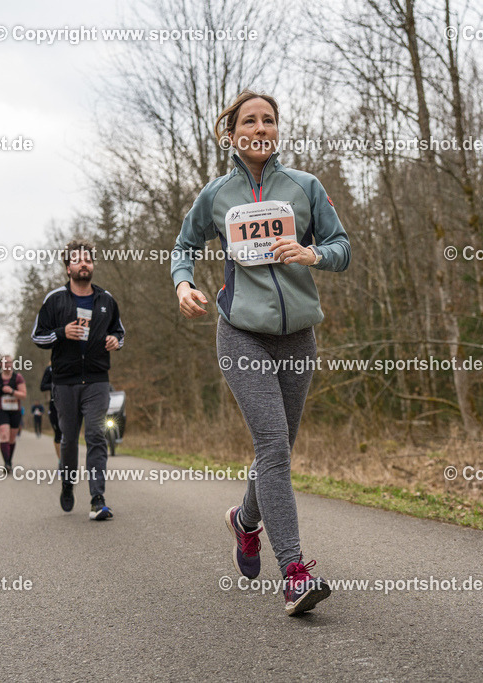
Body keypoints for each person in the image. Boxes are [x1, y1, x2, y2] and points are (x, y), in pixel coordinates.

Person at [171, 90, 351, 616]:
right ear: (231, 135)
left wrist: (311, 251)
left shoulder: (305, 187)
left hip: (298, 336)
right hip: (241, 332)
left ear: (277, 130)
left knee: (279, 450)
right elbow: (184, 247)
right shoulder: (217, 194)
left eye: (269, 120)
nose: (261, 128)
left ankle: (244, 522)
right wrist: (184, 285)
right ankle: (294, 573)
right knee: (272, 445)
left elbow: (343, 248)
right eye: (249, 121)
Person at [31, 240, 125, 521]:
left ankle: (98, 499)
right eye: (78, 260)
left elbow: (120, 333)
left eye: (88, 259)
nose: (84, 263)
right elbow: (38, 335)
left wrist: (114, 341)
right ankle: (68, 483)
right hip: (64, 382)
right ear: (68, 267)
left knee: (96, 436)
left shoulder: (106, 300)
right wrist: (61, 333)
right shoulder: (55, 300)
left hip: (97, 380)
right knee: (69, 440)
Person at [0, 355, 27, 473]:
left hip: (15, 410)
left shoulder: (18, 377)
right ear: (1, 365)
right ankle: (7, 464)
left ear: (12, 364)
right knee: (4, 434)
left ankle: (9, 460)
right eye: (5, 363)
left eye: (9, 363)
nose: (7, 365)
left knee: (12, 438)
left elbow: (24, 395)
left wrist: (12, 391)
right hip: (1, 409)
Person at [40, 362, 62, 463]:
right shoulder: (49, 369)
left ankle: (69, 461)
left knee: (70, 434)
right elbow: (42, 386)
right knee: (58, 434)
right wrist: (55, 384)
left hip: (70, 403)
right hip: (54, 405)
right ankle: (60, 461)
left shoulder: (72, 364)